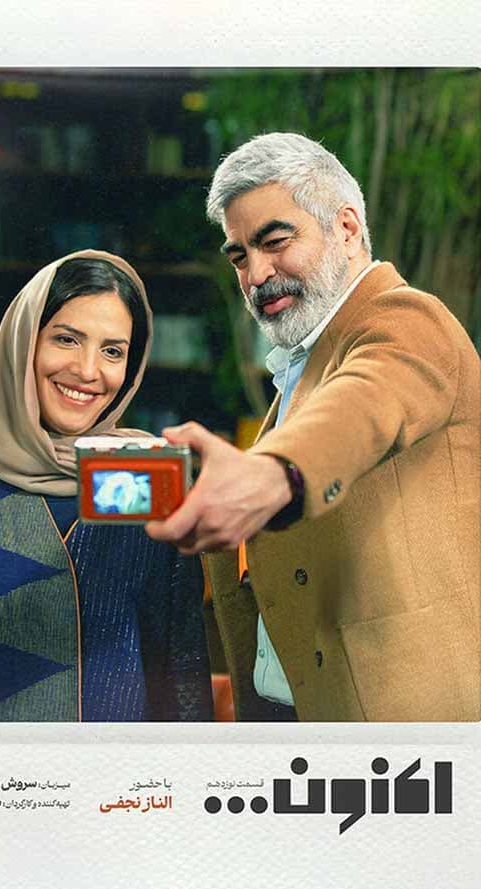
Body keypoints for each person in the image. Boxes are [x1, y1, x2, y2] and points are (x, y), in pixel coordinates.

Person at [146, 133, 480, 723]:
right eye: (239, 256)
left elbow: (363, 406)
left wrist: (274, 475)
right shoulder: (306, 361)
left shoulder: (408, 320)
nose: (256, 274)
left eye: (275, 242)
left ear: (346, 229)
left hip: (395, 739)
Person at [0, 249, 213, 722]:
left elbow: (179, 667)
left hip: (111, 767)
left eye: (113, 351)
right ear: (23, 343)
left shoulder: (144, 475)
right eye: (66, 339)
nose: (88, 371)